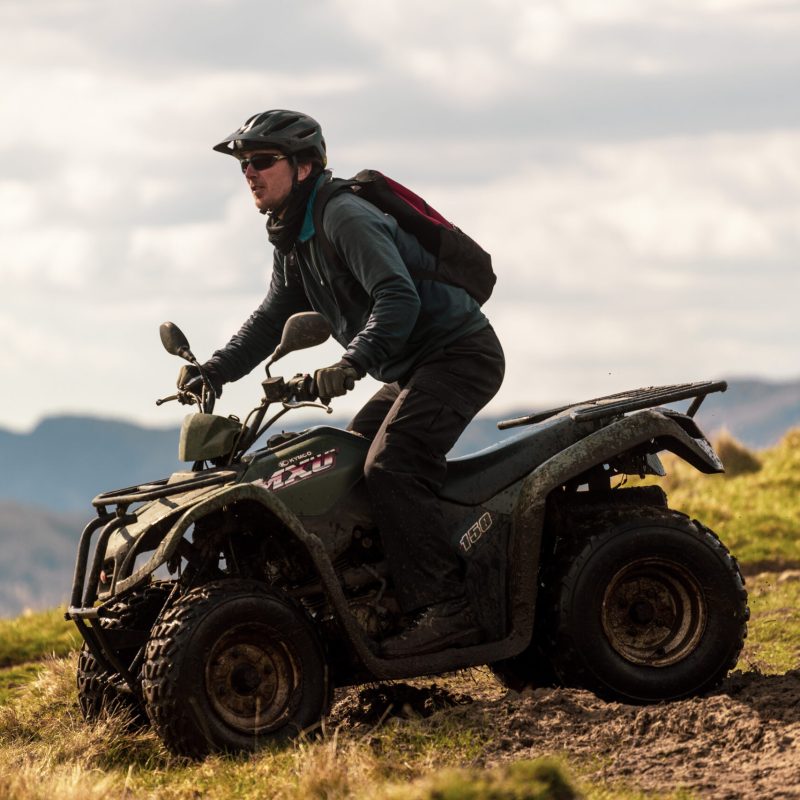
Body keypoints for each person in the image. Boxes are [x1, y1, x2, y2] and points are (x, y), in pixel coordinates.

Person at [179, 109, 505, 657]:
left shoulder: (343, 217)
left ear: (304, 167)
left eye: (261, 161)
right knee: (348, 463)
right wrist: (215, 368)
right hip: (412, 368)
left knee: (393, 465)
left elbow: (396, 297)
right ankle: (385, 602)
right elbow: (272, 316)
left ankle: (450, 609)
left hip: (458, 355)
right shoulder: (293, 235)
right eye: (243, 166)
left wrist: (353, 362)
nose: (250, 175)